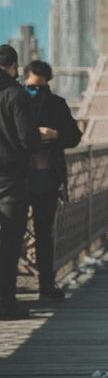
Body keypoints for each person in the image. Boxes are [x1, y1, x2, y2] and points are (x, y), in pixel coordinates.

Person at [23, 60, 82, 299]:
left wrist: (55, 134)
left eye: (40, 86)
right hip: (17, 177)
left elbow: (74, 136)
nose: (35, 90)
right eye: (31, 86)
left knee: (44, 234)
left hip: (45, 179)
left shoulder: (57, 105)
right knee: (12, 234)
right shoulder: (13, 100)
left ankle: (45, 286)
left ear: (48, 82)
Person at [0, 44, 41, 320]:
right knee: (10, 243)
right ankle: (6, 304)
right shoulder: (17, 94)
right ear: (15, 66)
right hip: (11, 181)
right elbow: (29, 140)